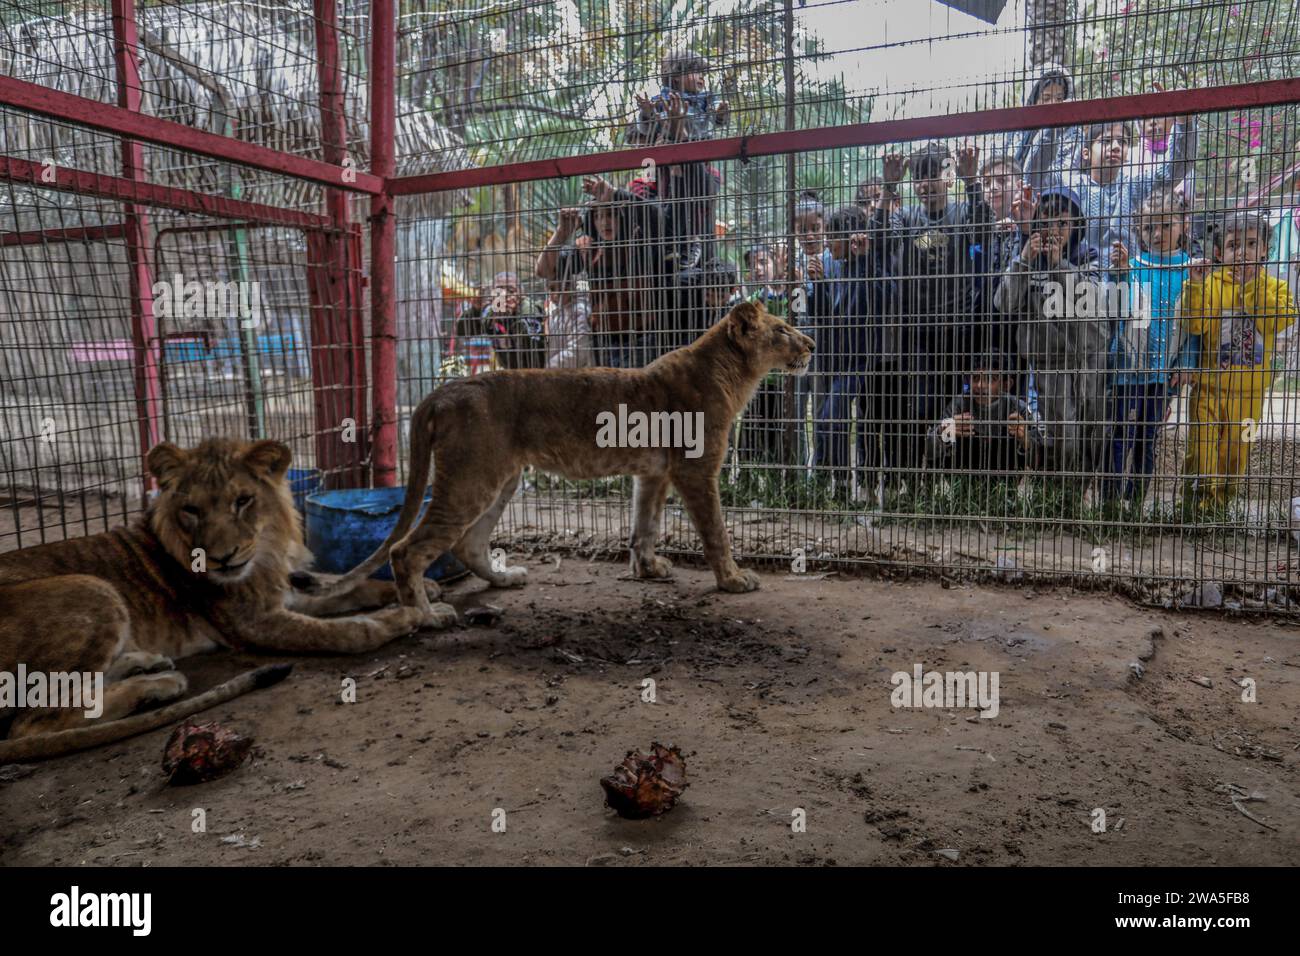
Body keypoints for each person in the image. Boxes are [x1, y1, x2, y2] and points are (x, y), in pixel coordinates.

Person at [875, 142, 983, 481]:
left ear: (947, 177)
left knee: (951, 408)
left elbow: (984, 228)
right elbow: (879, 241)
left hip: (957, 329)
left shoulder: (962, 212)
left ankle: (943, 477)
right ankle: (918, 480)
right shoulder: (907, 217)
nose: (925, 184)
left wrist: (972, 181)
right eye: (918, 177)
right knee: (921, 406)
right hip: (918, 332)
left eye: (932, 175)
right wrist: (888, 187)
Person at [1179, 211, 1296, 509]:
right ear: (1219, 252)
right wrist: (1193, 285)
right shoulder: (1210, 283)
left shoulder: (1277, 288)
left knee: (1237, 452)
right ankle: (1196, 509)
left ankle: (1223, 509)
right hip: (1209, 388)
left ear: (1265, 250)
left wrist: (1250, 285)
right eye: (1234, 246)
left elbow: (1277, 320)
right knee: (1202, 451)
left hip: (1250, 395)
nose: (1242, 252)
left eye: (1251, 244)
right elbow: (1194, 325)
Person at [994, 185, 1110, 481]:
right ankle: (1058, 495)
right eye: (1046, 221)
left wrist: (1059, 264)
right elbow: (1003, 303)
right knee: (1061, 431)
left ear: (1076, 226)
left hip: (1088, 358)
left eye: (1062, 222)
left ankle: (1079, 491)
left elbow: (1093, 301)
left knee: (1092, 429)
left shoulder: (1090, 255)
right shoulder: (1028, 257)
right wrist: (1022, 260)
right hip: (1048, 360)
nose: (1054, 229)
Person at [1105, 188, 1196, 504]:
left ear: (1183, 225)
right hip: (1126, 371)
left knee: (1147, 439)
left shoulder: (1190, 269)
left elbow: (1193, 321)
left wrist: (1187, 362)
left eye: (1165, 225)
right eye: (1148, 228)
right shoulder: (1133, 265)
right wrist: (1117, 272)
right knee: (1119, 437)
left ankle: (1134, 504)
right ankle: (1110, 503)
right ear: (1138, 231)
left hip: (1161, 376)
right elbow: (1114, 308)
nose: (1156, 234)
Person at [535, 178, 665, 368]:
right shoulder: (589, 248)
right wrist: (562, 233)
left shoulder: (640, 239)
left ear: (622, 216)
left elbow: (658, 217)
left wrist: (614, 194)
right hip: (605, 343)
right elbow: (543, 270)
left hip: (644, 340)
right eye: (599, 216)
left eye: (611, 214)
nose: (605, 222)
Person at [626, 51, 729, 271]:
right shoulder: (646, 173)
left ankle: (691, 244)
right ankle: (681, 245)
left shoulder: (705, 100)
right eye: (695, 72)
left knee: (685, 180)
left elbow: (718, 120)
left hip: (696, 168)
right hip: (664, 240)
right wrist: (647, 115)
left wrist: (721, 114)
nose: (701, 77)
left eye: (702, 72)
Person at [1043, 117, 1197, 255]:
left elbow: (1176, 168)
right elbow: (1038, 175)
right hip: (1079, 279)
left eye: (1122, 142)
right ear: (1086, 153)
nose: (1116, 147)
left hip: (1126, 281)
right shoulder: (1070, 187)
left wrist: (1184, 121)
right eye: (1106, 141)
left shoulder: (1134, 186)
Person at [812, 206, 872, 497]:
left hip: (864, 360)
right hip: (835, 359)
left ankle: (863, 482)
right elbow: (820, 317)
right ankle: (841, 482)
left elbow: (864, 305)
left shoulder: (867, 265)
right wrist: (818, 284)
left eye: (832, 238)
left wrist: (862, 262)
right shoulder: (827, 263)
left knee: (860, 423)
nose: (826, 243)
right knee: (829, 419)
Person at [926, 353, 1047, 474]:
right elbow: (929, 454)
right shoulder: (958, 405)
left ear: (1006, 385)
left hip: (1005, 478)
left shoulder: (1018, 407)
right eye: (976, 378)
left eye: (990, 379)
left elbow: (1037, 461)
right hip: (964, 475)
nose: (980, 385)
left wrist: (1024, 439)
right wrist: (943, 433)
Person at [1004, 65, 1084, 174]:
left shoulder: (1073, 133)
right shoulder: (1014, 132)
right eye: (1046, 98)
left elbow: (1067, 174)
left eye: (1059, 98)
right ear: (1032, 100)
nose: (1053, 103)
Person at [544, 274, 594, 369]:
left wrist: (550, 367)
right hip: (561, 373)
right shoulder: (558, 311)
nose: (553, 294)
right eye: (551, 289)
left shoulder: (579, 312)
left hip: (577, 374)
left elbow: (578, 352)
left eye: (556, 288)